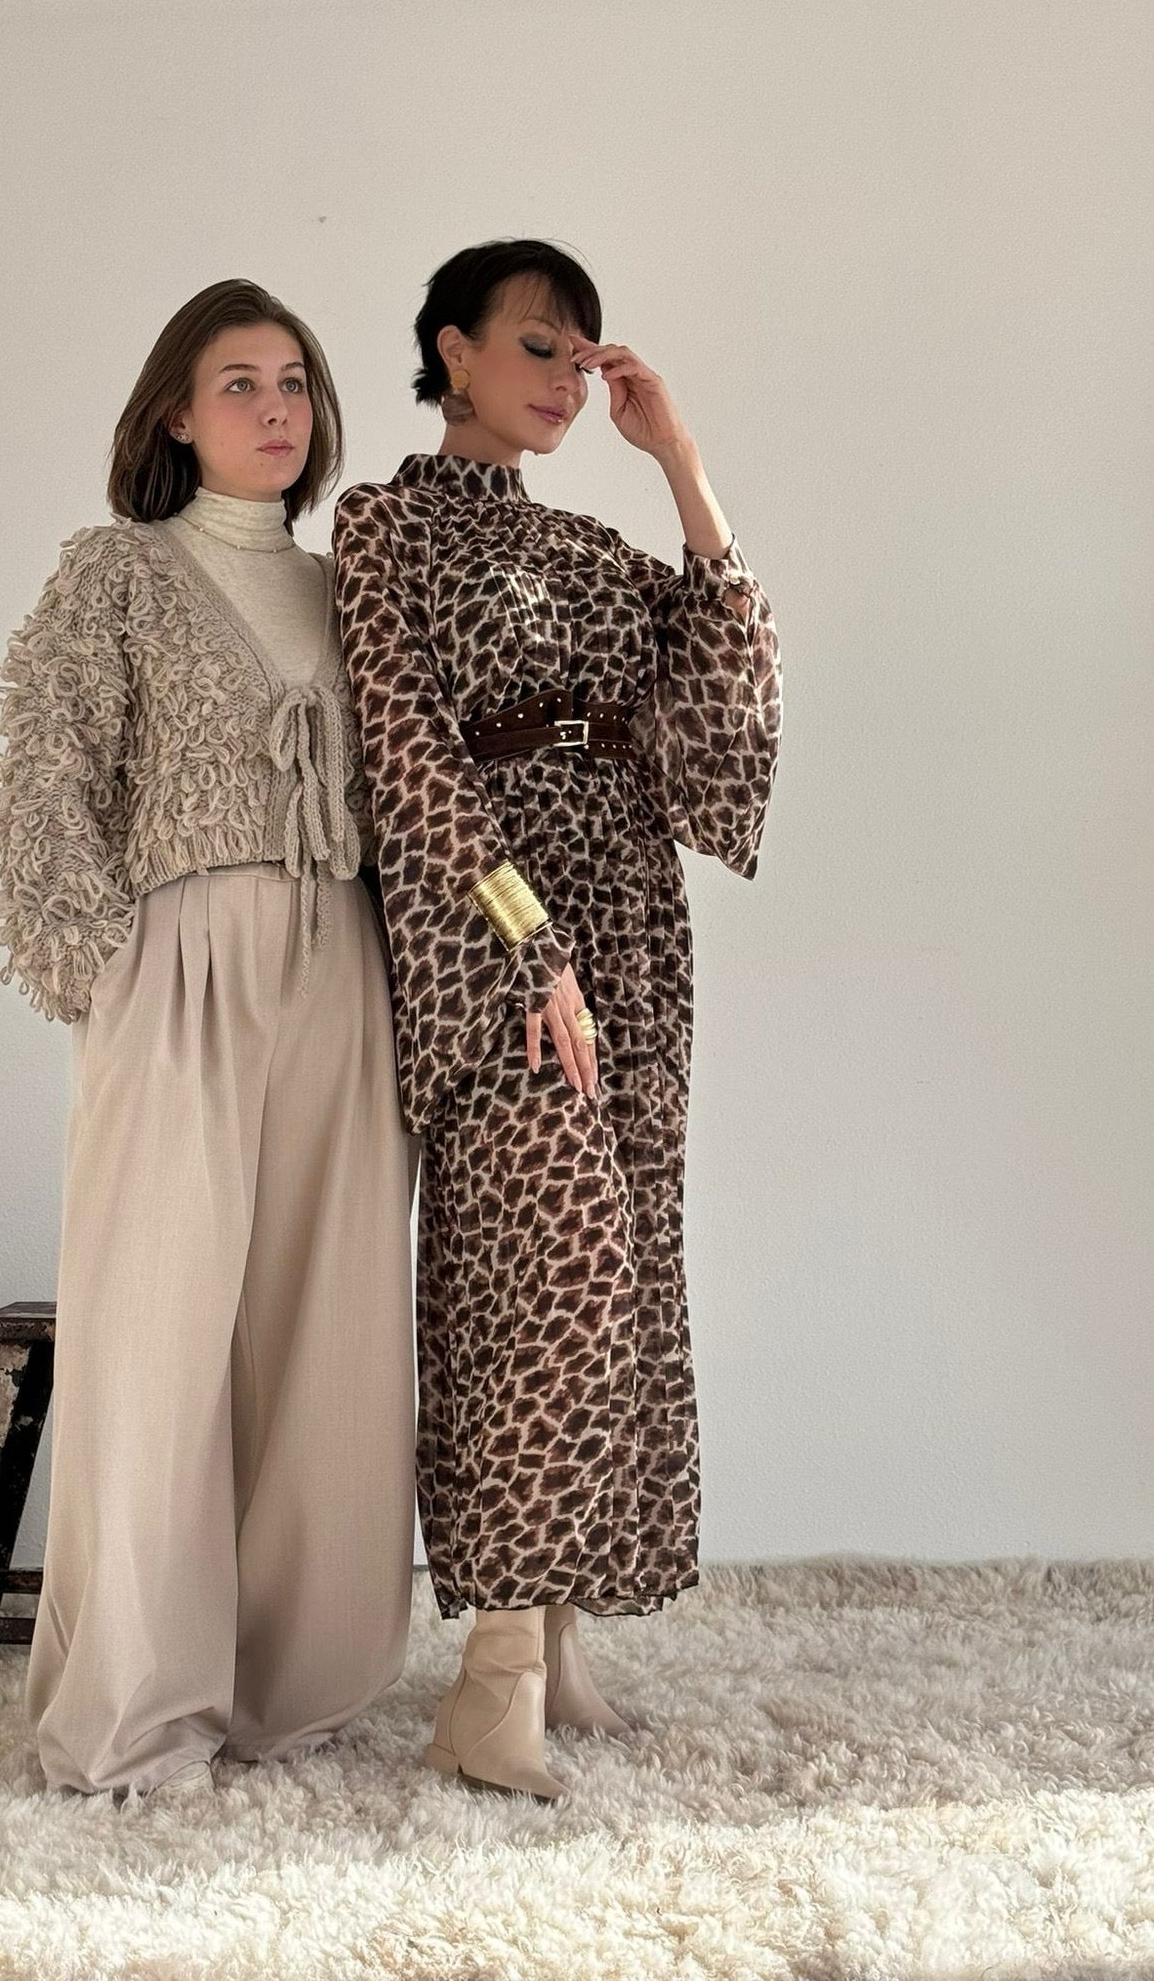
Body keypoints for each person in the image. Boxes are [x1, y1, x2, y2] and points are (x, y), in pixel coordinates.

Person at [331, 239, 781, 1803]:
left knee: (626, 1273)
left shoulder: (594, 547)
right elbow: (407, 754)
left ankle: (562, 1635)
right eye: (537, 346)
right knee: (546, 1278)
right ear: (452, 350)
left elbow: (721, 709)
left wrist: (683, 468)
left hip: (631, 922)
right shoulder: (384, 525)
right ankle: (493, 1680)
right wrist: (530, 949)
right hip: (495, 940)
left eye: (583, 360)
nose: (566, 382)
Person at [0, 279, 416, 1798]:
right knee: (155, 1325)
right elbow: (47, 764)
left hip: (347, 960)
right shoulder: (119, 571)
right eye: (240, 382)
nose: (276, 408)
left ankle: (294, 1679)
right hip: (180, 962)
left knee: (328, 1325)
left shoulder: (358, 589)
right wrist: (98, 962)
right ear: (176, 411)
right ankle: (142, 1704)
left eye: (295, 380)